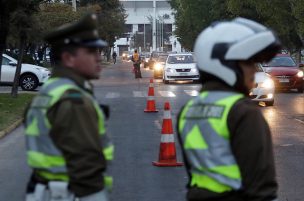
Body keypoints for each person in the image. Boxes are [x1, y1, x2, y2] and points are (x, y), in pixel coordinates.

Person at [177, 17, 281, 201]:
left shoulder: (187, 111)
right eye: (248, 63)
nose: (254, 71)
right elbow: (262, 188)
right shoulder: (243, 112)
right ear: (225, 65)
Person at [24, 13, 114, 201]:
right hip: (72, 193)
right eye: (91, 52)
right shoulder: (73, 101)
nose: (98, 58)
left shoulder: (50, 90)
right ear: (68, 58)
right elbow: (86, 169)